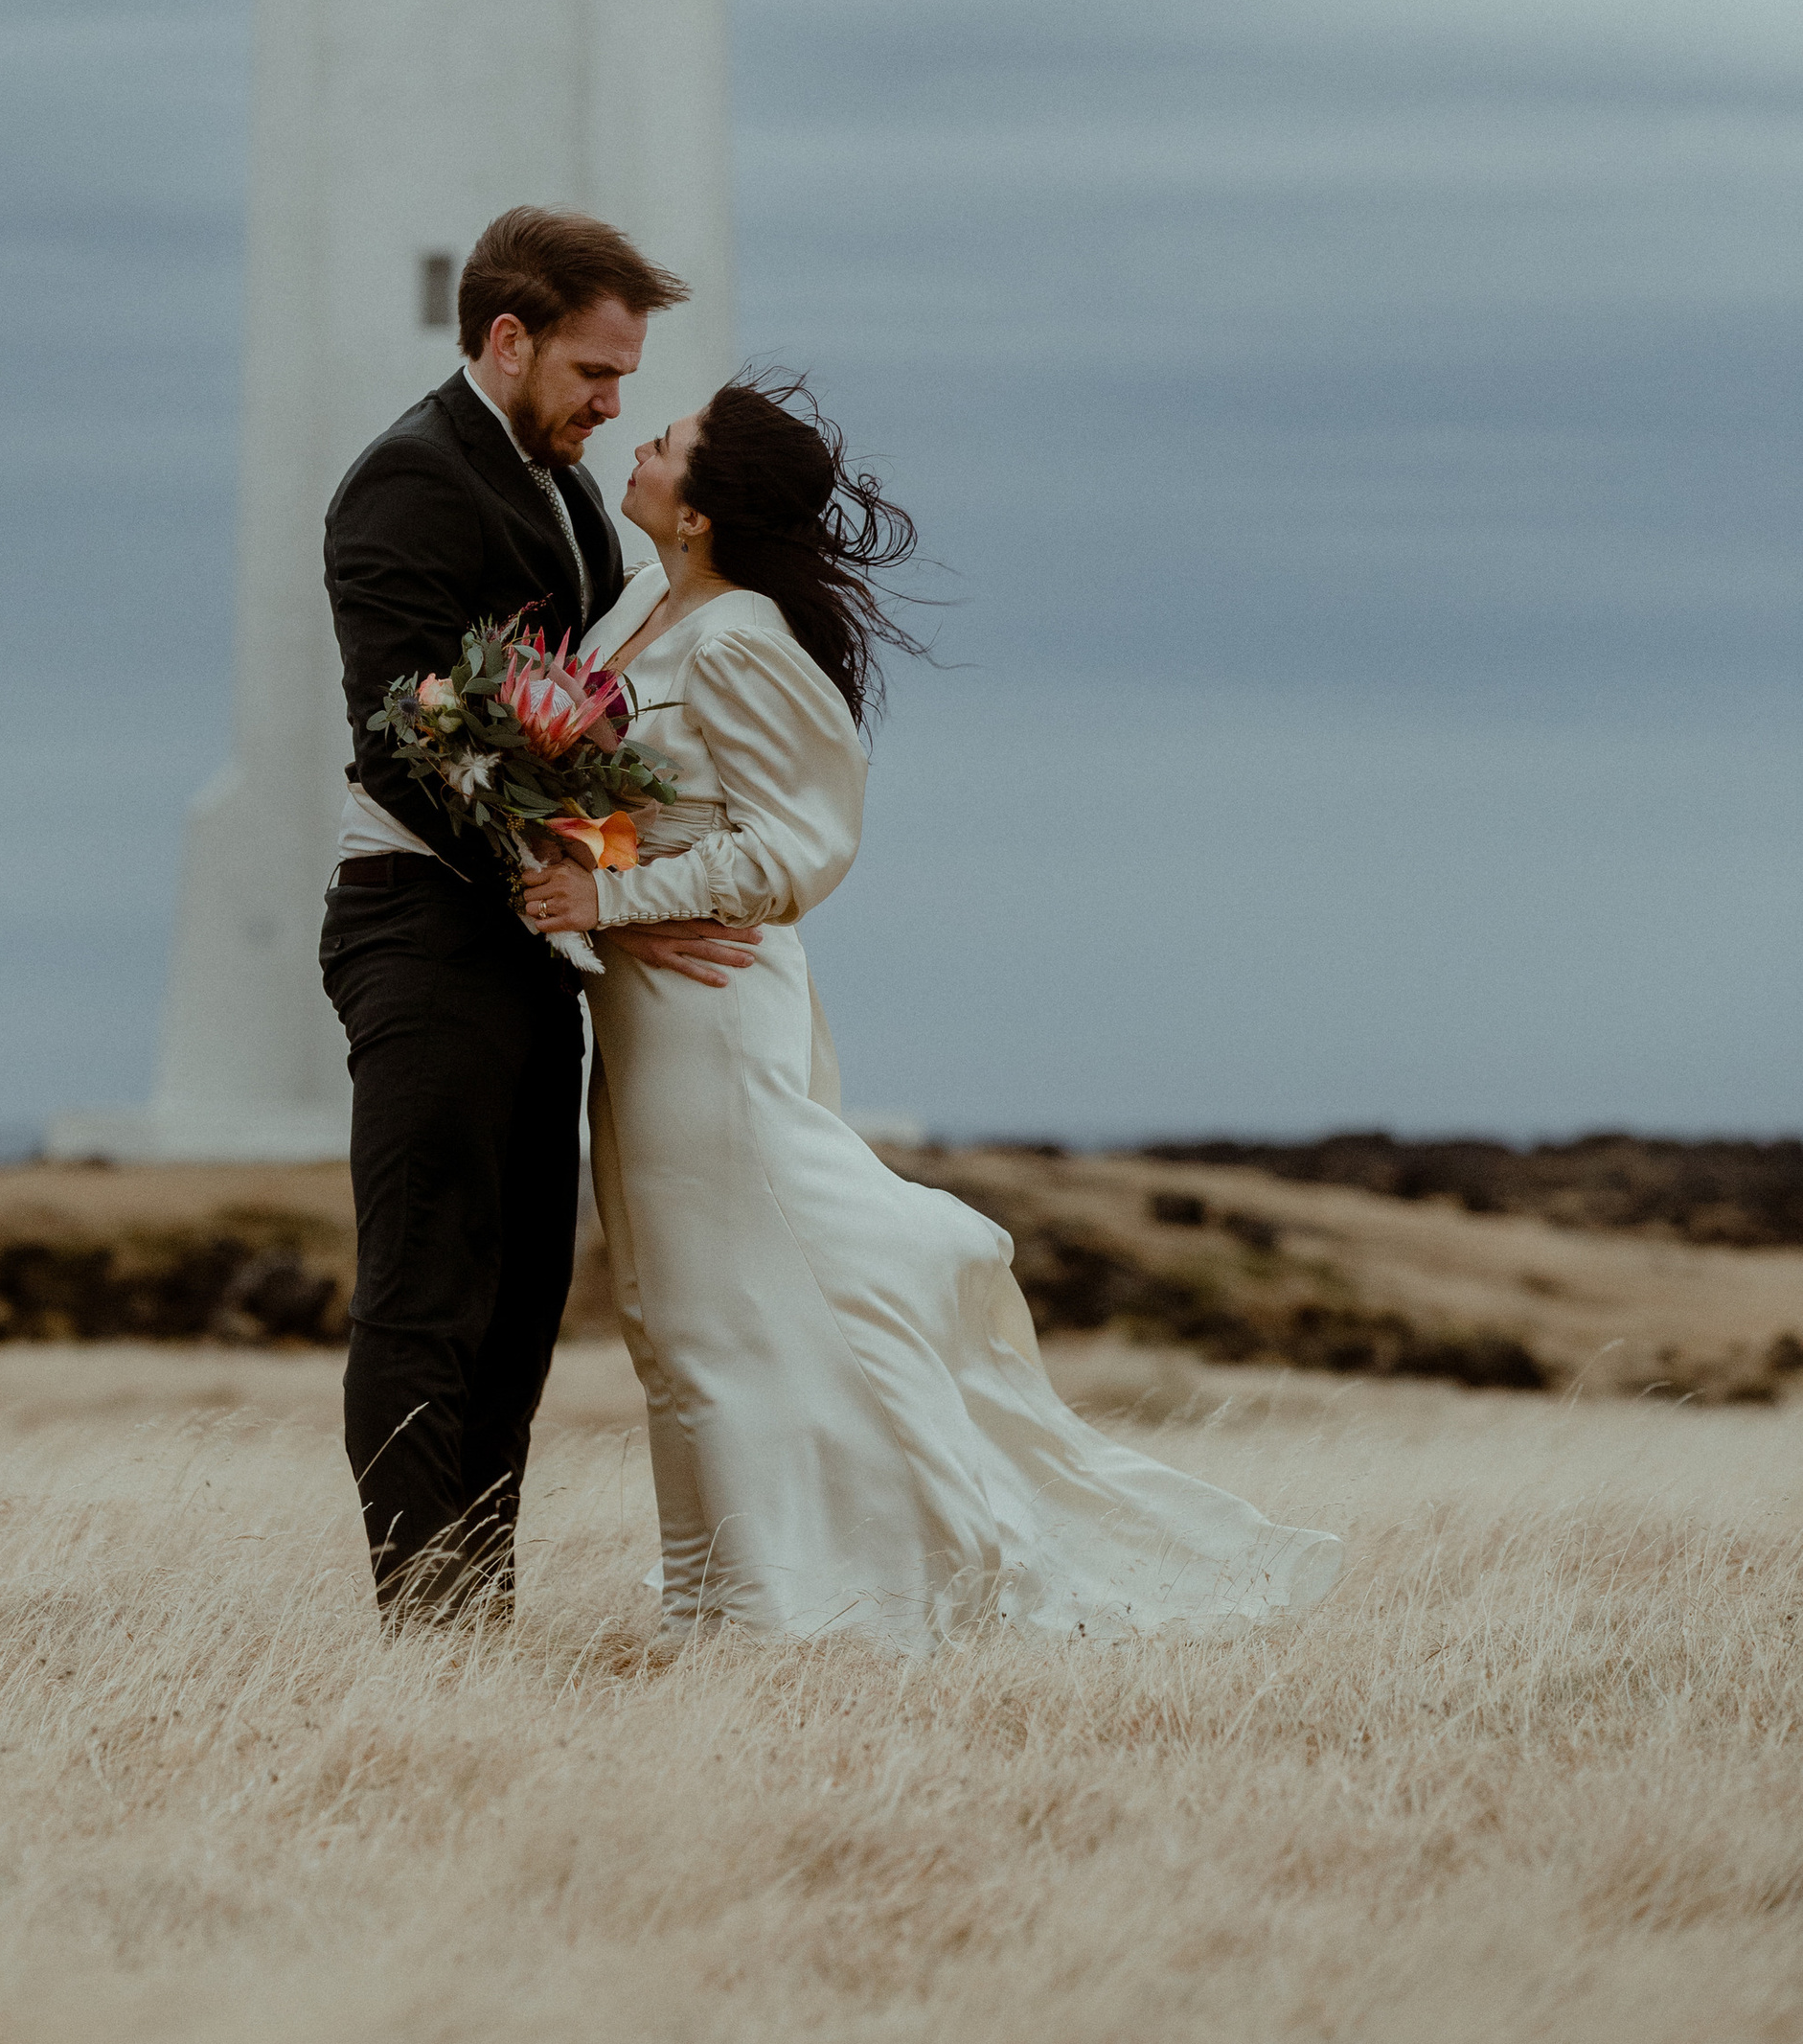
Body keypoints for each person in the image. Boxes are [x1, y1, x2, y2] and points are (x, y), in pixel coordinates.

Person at [516, 376, 1342, 1651]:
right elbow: (634, 799)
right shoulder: (641, 612)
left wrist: (612, 894)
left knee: (715, 1312)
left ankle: (768, 1618)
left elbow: (803, 849)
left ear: (701, 510)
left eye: (667, 441)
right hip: (642, 1007)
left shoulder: (738, 640)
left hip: (711, 1014)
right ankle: (714, 1602)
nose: (641, 442)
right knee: (665, 1310)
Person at [320, 205, 757, 1623]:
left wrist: (603, 885)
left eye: (626, 379)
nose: (614, 404)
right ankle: (426, 1625)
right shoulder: (405, 482)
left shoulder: (568, 494)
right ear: (507, 341)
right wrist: (600, 893)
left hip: (524, 940)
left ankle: (476, 1613)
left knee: (513, 1311)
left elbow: (560, 723)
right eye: (594, 372)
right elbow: (404, 744)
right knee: (427, 1288)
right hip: (419, 923)